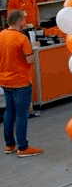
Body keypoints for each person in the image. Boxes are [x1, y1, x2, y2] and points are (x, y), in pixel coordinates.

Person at [1, 9, 41, 157]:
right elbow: (30, 59)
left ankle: (9, 144)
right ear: (19, 21)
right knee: (22, 115)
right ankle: (22, 147)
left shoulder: (1, 36)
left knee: (9, 112)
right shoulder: (22, 38)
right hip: (21, 81)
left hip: (5, 81)